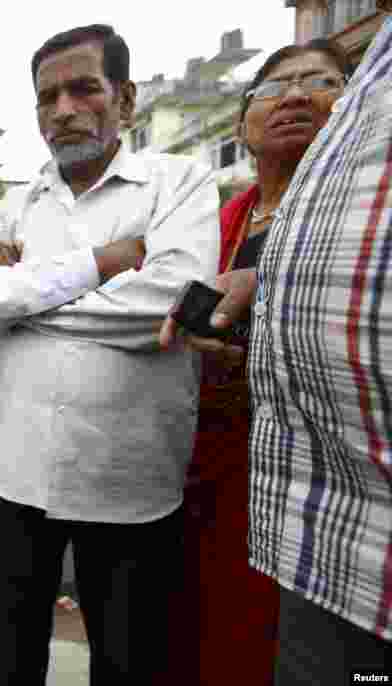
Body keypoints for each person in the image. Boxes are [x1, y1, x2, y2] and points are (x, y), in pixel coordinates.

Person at [0, 25, 220, 684]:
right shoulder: (16, 205)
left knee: (126, 658)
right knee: (13, 650)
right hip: (19, 474)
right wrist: (101, 267)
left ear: (125, 100)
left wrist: (23, 297)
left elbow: (170, 305)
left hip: (128, 479)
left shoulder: (177, 184)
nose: (63, 110)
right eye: (47, 97)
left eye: (83, 89)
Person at [162, 17, 392, 684]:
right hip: (211, 458)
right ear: (242, 126)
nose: (296, 96)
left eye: (322, 82)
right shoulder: (218, 221)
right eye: (275, 85)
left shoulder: (358, 219)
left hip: (324, 475)